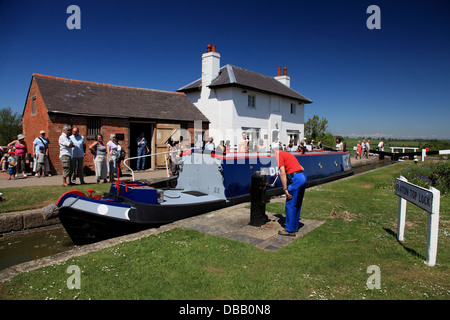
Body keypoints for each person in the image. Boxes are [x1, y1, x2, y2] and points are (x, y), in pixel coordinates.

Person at [271, 142, 307, 236]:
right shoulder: (288, 154)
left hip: (295, 179)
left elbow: (282, 173)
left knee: (290, 204)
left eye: (273, 152)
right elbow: (302, 168)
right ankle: (295, 226)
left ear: (275, 150)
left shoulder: (279, 155)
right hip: (302, 177)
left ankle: (289, 230)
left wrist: (285, 189)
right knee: (297, 203)